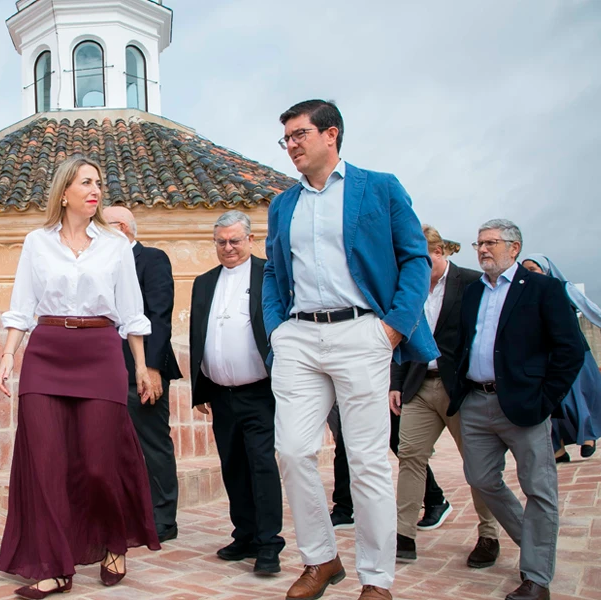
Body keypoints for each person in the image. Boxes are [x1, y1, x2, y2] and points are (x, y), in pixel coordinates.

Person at [263, 99, 436, 600]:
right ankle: (321, 559)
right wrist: (277, 329)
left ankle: (377, 579)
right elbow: (275, 270)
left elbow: (414, 258)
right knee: (292, 451)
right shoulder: (282, 204)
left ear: (330, 134)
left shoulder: (379, 188)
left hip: (362, 333)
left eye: (299, 135)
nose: (291, 146)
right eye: (286, 139)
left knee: (366, 461)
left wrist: (393, 329)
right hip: (298, 337)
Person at [0, 156, 161, 599]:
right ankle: (54, 567)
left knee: (98, 462)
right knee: (45, 464)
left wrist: (141, 366)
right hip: (46, 354)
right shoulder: (36, 242)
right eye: (86, 182)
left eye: (99, 183)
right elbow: (22, 304)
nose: (96, 190)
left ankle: (114, 540)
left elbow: (131, 312)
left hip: (100, 353)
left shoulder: (115, 245)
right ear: (64, 191)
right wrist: (9, 354)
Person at [448, 219, 585, 600]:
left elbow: (570, 350)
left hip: (525, 405)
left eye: (491, 242)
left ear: (515, 247)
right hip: (476, 402)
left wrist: (546, 398)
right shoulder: (473, 292)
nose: (483, 250)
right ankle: (534, 542)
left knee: (538, 489)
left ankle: (537, 578)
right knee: (480, 478)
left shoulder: (544, 289)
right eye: (479, 244)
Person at [391, 224, 500, 566]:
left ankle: (489, 535)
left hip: (462, 389)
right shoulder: (408, 287)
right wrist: (395, 382)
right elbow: (398, 335)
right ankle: (403, 535)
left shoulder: (471, 283)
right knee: (410, 456)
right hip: (419, 385)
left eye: (420, 259)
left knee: (477, 464)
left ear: (438, 252)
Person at [189, 210, 285, 575]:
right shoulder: (203, 282)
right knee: (232, 466)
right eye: (221, 242)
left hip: (260, 391)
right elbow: (200, 334)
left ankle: (269, 544)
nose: (228, 248)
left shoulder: (269, 275)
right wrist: (201, 389)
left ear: (250, 240)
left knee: (261, 466)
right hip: (220, 395)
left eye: (234, 240)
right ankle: (244, 533)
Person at [103, 206, 183, 543]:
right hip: (105, 368)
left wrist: (149, 367)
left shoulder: (151, 259)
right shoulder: (103, 264)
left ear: (121, 227)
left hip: (143, 368)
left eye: (101, 227)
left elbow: (160, 314)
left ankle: (163, 519)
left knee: (151, 443)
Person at [520, 253, 601, 461]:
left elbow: (591, 309)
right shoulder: (523, 294)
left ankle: (588, 436)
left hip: (572, 353)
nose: (529, 275)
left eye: (533, 270)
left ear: (546, 271)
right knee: (550, 403)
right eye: (526, 271)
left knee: (578, 396)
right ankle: (557, 448)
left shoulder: (563, 288)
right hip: (542, 357)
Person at [325, 406, 447, 532]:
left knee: (401, 444)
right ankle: (345, 508)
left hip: (378, 392)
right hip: (344, 394)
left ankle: (435, 499)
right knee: (344, 445)